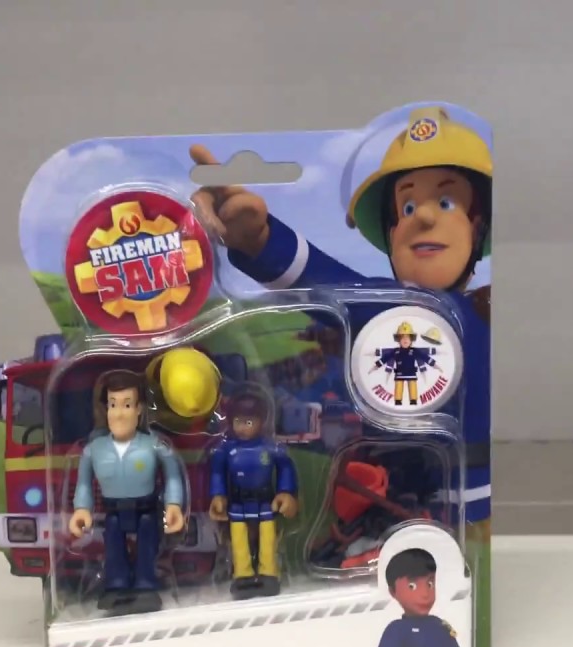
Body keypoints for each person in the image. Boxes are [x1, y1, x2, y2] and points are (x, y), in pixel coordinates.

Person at [189, 105, 492, 530]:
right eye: (406, 208)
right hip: (403, 499)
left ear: (478, 227)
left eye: (446, 202)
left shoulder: (489, 310)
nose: (423, 217)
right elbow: (328, 281)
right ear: (390, 232)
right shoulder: (392, 309)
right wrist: (260, 241)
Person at [70, 369, 186, 612]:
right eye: (113, 404)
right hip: (113, 512)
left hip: (147, 510)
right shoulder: (94, 449)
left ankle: (145, 584)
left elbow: (173, 476)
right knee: (113, 546)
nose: (119, 414)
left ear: (139, 408)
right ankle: (117, 585)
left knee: (147, 546)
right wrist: (81, 509)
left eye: (126, 405)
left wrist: (174, 505)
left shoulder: (154, 445)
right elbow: (84, 484)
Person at [208, 390, 299, 598]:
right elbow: (217, 472)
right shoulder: (226, 449)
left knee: (268, 538)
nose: (242, 427)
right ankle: (243, 574)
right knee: (239, 539)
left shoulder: (270, 448)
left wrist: (285, 492)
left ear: (261, 421)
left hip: (265, 500)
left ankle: (269, 573)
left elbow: (286, 467)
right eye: (238, 422)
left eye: (248, 422)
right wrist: (218, 495)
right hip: (238, 502)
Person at [373, 548, 467, 647]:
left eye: (430, 584)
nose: (425, 594)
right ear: (393, 592)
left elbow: (452, 645)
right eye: (412, 586)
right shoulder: (397, 629)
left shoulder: (440, 623)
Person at [373, 321, 439, 406]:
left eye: (407, 337)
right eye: (402, 337)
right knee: (398, 387)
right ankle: (398, 401)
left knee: (412, 387)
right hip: (399, 374)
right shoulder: (395, 351)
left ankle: (413, 400)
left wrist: (435, 365)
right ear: (398, 340)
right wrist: (377, 365)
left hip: (411, 373)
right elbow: (385, 358)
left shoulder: (414, 351)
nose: (405, 340)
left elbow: (425, 357)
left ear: (411, 340)